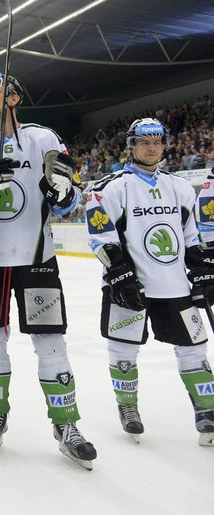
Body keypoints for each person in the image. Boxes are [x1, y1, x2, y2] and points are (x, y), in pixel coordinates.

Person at [0, 73, 98, 469]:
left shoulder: (43, 138)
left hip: (36, 258)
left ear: (14, 98)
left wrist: (62, 192)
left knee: (51, 343)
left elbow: (69, 201)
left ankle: (66, 424)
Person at [90, 118, 214, 446]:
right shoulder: (109, 188)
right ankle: (128, 407)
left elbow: (192, 236)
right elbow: (101, 238)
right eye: (144, 141)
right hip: (130, 285)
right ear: (131, 145)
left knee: (194, 348)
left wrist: (203, 271)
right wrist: (119, 275)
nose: (152, 147)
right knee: (123, 348)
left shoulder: (181, 187)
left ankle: (206, 409)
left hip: (175, 285)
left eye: (157, 141)